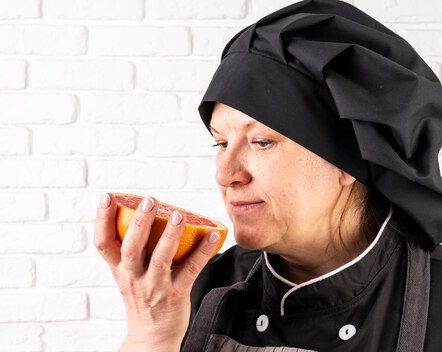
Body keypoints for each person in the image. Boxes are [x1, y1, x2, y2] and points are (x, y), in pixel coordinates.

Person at [94, 0, 442, 350]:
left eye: (261, 142)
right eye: (221, 143)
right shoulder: (191, 291)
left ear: (346, 163)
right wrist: (151, 333)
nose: (225, 174)